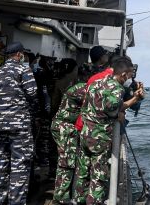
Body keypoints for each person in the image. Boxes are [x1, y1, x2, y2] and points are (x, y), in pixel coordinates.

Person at [78, 57, 144, 205]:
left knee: (83, 172)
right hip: (99, 138)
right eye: (130, 75)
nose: (130, 78)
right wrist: (135, 98)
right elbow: (114, 109)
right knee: (99, 177)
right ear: (123, 74)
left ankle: (78, 200)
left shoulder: (96, 83)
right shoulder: (116, 88)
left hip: (86, 133)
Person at [0, 42, 39, 205]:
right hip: (20, 125)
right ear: (19, 54)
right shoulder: (24, 70)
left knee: (0, 162)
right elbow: (32, 93)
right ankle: (16, 202)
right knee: (19, 164)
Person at [51, 79, 87, 204]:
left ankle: (64, 195)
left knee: (69, 161)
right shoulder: (81, 89)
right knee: (67, 163)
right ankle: (61, 197)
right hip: (65, 128)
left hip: (66, 126)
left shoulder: (82, 87)